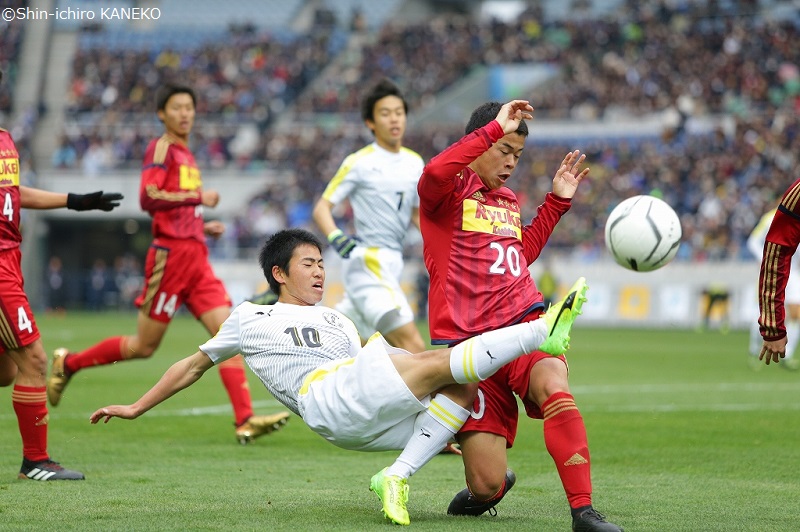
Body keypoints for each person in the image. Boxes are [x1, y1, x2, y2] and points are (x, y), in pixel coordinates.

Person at [89, 228, 589, 526]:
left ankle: (396, 474)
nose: (319, 272)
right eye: (308, 264)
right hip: (325, 397)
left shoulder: (337, 319)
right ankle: (540, 333)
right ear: (279, 274)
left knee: (459, 388)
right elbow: (192, 365)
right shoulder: (249, 317)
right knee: (436, 362)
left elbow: (382, 373)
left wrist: (434, 431)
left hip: (353, 419)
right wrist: (136, 406)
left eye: (322, 264)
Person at [417, 100, 622, 531]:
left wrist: (556, 203)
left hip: (523, 324)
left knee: (552, 382)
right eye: (503, 149)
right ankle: (487, 488)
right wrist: (493, 129)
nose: (511, 162)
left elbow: (517, 256)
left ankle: (583, 512)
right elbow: (433, 172)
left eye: (518, 155)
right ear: (480, 141)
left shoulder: (507, 200)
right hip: (468, 350)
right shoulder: (445, 194)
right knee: (487, 485)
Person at [46, 83, 290, 444]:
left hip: (197, 259)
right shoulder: (161, 148)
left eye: (189, 107)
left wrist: (201, 224)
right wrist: (198, 197)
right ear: (162, 113)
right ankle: (69, 364)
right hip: (171, 259)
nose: (185, 113)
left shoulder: (187, 155)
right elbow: (149, 196)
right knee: (144, 346)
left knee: (228, 336)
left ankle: (245, 420)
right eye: (176, 107)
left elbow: (175, 207)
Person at [0, 68, 125, 480]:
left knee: (7, 372)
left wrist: (76, 201)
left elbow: (16, 196)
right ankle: (35, 462)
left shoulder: (5, 140)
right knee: (34, 360)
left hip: (11, 259)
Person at [312, 78, 426, 353]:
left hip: (392, 262)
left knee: (351, 350)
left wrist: (443, 246)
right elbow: (322, 208)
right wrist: (337, 237)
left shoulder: (415, 162)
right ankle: (439, 398)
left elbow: (416, 213)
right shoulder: (359, 162)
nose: (394, 119)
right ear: (370, 122)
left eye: (398, 112)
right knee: (414, 347)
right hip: (370, 260)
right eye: (385, 114)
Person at [748, 206, 800, 370]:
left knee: (796, 313)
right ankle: (754, 350)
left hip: (794, 272)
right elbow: (752, 242)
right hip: (774, 268)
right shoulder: (771, 217)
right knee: (764, 310)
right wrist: (764, 258)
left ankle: (787, 354)